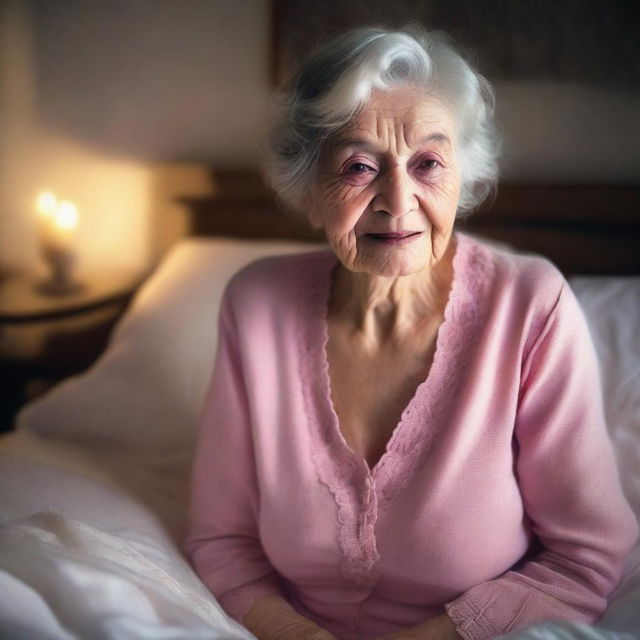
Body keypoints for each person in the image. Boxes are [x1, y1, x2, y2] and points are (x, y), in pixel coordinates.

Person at [185, 27, 638, 640]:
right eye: (358, 166)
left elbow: (585, 559)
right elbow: (222, 541)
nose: (398, 202)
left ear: (463, 178)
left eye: (428, 163)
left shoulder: (531, 306)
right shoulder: (255, 305)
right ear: (308, 189)